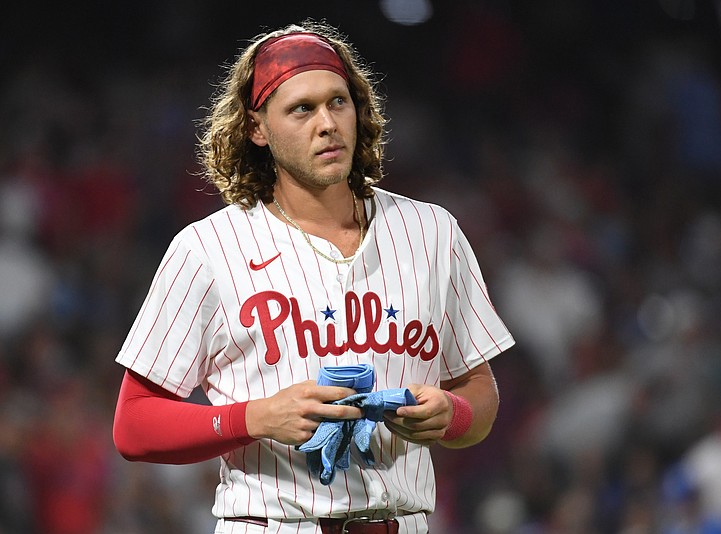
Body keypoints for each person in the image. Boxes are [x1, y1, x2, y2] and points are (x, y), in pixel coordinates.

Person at [112, 20, 514, 534]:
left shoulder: (432, 231)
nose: (326, 123)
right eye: (301, 108)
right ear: (256, 127)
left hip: (405, 522)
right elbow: (134, 425)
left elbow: (479, 391)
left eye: (337, 102)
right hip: (275, 523)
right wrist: (254, 418)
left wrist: (452, 415)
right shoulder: (208, 248)